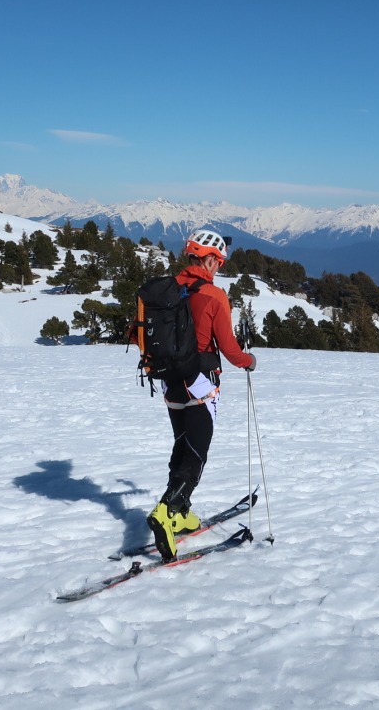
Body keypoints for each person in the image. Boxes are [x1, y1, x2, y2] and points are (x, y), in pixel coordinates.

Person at [147, 228, 258, 561]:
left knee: (183, 445)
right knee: (196, 454)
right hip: (200, 385)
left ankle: (181, 512)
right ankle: (166, 512)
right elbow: (228, 348)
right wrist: (249, 361)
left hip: (169, 382)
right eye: (218, 261)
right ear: (208, 258)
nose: (219, 267)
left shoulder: (169, 288)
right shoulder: (214, 296)